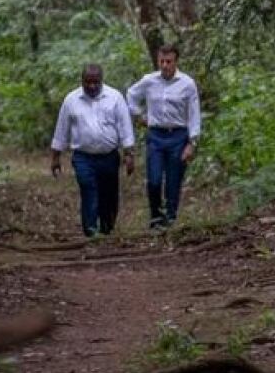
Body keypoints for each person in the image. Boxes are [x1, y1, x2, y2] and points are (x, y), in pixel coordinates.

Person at [50, 64, 136, 237]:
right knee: (88, 189)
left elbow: (125, 127)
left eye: (95, 82)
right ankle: (90, 230)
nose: (91, 86)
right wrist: (55, 157)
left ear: (101, 81)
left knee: (108, 193)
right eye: (88, 82)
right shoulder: (71, 100)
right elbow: (61, 129)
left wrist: (128, 154)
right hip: (83, 157)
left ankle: (106, 227)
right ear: (82, 81)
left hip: (109, 156)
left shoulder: (115, 97)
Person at [127, 44, 202, 229]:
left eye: (168, 61)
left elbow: (194, 114)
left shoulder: (187, 83)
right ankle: (155, 218)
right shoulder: (149, 80)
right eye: (161, 61)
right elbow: (130, 95)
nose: (164, 65)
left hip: (178, 136)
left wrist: (192, 143)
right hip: (156, 136)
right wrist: (139, 116)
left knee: (173, 182)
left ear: (176, 61)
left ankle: (169, 220)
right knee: (153, 180)